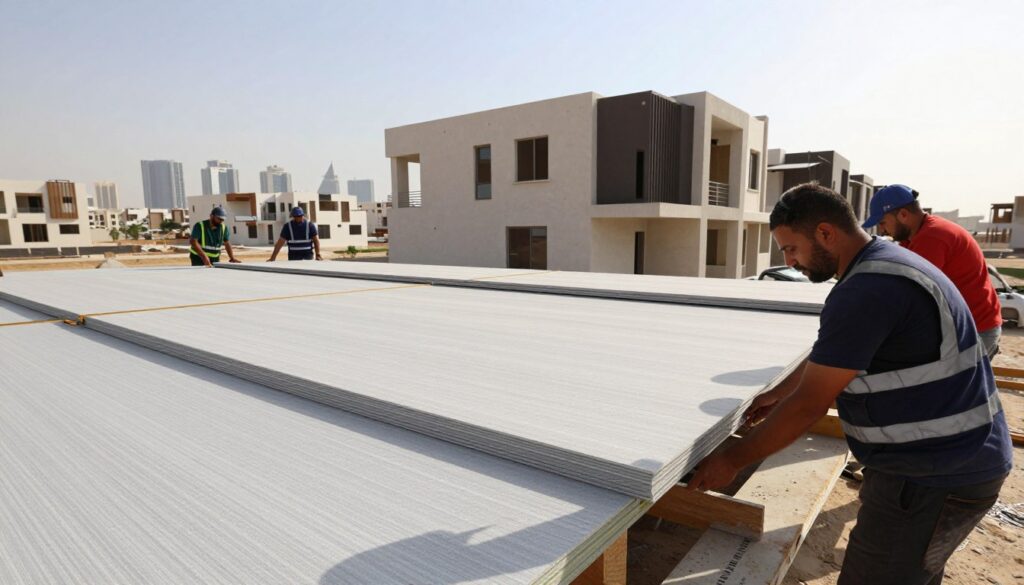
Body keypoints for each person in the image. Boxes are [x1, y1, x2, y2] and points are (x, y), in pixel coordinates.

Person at [689, 183, 1011, 585]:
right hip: (955, 459)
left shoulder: (867, 289)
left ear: (825, 233)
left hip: (934, 475)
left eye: (791, 249)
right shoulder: (885, 263)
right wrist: (778, 391)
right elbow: (836, 353)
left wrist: (730, 461)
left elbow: (809, 406)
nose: (790, 261)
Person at [864, 184, 1002, 358]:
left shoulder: (932, 237)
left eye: (882, 222)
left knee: (952, 384)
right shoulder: (913, 237)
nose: (882, 230)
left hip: (975, 331)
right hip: (965, 328)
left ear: (903, 215)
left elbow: (911, 294)